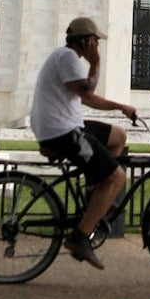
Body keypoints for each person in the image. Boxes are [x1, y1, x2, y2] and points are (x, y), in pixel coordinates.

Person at [29, 16, 136, 270]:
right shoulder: (66, 57)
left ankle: (95, 194)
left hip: (68, 125)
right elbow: (88, 92)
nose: (97, 46)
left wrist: (119, 109)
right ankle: (80, 237)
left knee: (118, 137)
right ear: (86, 41)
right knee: (118, 178)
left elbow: (86, 98)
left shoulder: (67, 59)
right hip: (62, 131)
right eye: (95, 41)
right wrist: (96, 63)